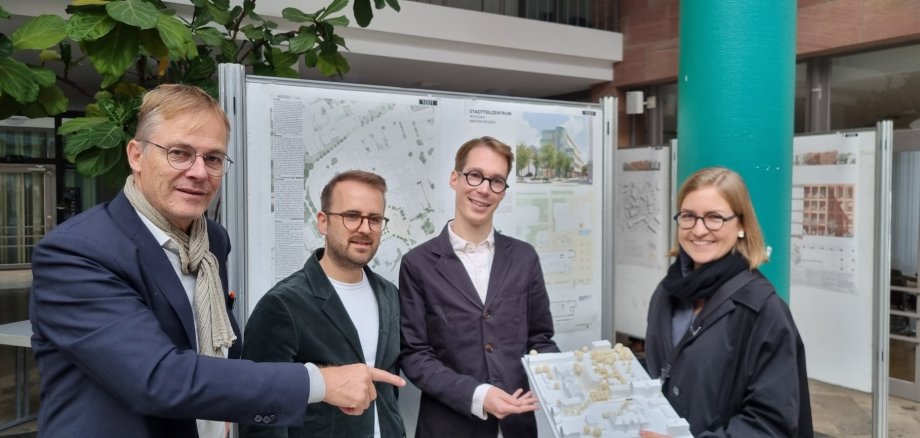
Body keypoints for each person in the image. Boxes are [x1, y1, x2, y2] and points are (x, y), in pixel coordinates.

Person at [29, 84, 404, 438]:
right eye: (179, 152)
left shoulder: (211, 242)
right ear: (136, 155)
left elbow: (219, 351)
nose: (198, 172)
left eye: (213, 158)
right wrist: (320, 382)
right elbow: (157, 378)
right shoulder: (79, 251)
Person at [399, 136, 559, 437]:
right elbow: (415, 355)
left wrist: (568, 376)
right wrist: (478, 395)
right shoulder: (417, 263)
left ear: (503, 191)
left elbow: (541, 339)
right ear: (455, 178)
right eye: (475, 175)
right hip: (448, 428)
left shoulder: (524, 257)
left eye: (496, 181)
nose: (484, 189)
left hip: (517, 428)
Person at [642, 167, 813, 437]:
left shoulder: (764, 310)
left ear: (742, 225)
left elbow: (771, 424)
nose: (699, 230)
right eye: (688, 216)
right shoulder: (666, 292)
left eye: (714, 218)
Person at [241, 170, 404, 438]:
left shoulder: (390, 297)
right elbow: (260, 410)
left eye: (374, 219)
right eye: (352, 216)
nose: (365, 228)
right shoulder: (283, 304)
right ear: (323, 222)